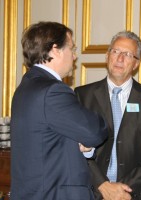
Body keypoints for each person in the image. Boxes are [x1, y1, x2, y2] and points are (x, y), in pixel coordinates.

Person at [10, 21, 108, 199]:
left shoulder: (27, 87)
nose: (75, 56)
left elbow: (51, 138)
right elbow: (95, 131)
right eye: (72, 48)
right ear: (55, 50)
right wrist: (89, 135)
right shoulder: (52, 90)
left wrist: (82, 142)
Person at [74, 31, 141, 200]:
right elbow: (74, 147)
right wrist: (103, 185)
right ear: (107, 56)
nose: (119, 59)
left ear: (136, 63)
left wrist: (122, 190)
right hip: (92, 191)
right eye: (115, 52)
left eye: (127, 54)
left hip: (135, 193)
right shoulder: (83, 96)